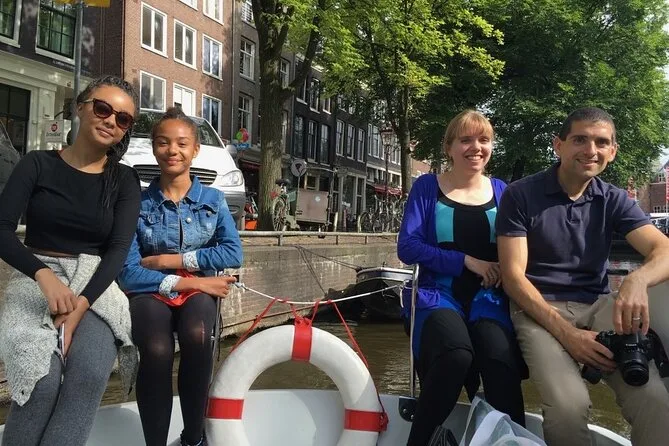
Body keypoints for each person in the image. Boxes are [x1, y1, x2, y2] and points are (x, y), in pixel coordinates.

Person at [497, 107, 669, 446]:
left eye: (601, 142)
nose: (591, 150)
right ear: (558, 145)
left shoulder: (613, 199)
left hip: (598, 306)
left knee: (655, 401)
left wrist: (636, 280)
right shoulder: (520, 195)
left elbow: (663, 249)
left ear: (612, 151)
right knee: (568, 408)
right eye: (580, 140)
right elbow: (513, 277)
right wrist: (569, 336)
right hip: (538, 308)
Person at [0, 75, 141, 445]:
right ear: (81, 107)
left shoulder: (124, 180)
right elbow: (2, 230)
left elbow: (117, 251)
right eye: (103, 108)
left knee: (89, 374)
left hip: (94, 286)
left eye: (123, 118)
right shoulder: (36, 164)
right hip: (34, 279)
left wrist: (79, 307)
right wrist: (43, 275)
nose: (111, 121)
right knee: (40, 382)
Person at [398, 110, 527, 446]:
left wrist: (504, 268)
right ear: (449, 147)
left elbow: (519, 247)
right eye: (466, 140)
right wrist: (466, 261)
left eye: (484, 140)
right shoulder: (427, 187)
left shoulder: (502, 192)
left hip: (489, 298)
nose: (476, 147)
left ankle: (513, 440)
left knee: (500, 362)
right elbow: (408, 247)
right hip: (438, 295)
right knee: (455, 354)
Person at [117, 107, 243, 446]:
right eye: (163, 142)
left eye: (182, 143)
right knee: (156, 349)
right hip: (150, 289)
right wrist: (195, 279)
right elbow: (129, 271)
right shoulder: (137, 203)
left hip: (195, 291)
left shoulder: (213, 200)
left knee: (197, 336)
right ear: (154, 147)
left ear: (195, 149)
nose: (172, 150)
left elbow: (233, 253)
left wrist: (171, 260)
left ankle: (193, 438)